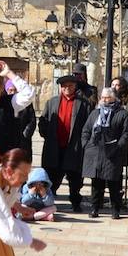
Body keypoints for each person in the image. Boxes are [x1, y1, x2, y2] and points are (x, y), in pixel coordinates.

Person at [37, 73, 90, 211]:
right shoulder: (52, 102)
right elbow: (43, 121)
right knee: (51, 177)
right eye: (64, 86)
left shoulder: (84, 104)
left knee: (75, 179)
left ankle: (76, 202)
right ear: (61, 88)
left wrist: (84, 142)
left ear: (75, 86)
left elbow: (88, 125)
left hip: (74, 147)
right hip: (54, 146)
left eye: (70, 85)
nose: (67, 88)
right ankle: (49, 202)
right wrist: (47, 136)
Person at [81, 86, 128, 219]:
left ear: (114, 98)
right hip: (96, 153)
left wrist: (118, 147)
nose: (104, 100)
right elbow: (86, 130)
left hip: (113, 153)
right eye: (102, 97)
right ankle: (95, 208)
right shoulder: (95, 113)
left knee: (114, 184)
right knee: (96, 184)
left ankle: (116, 210)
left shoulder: (122, 113)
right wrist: (86, 145)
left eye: (107, 97)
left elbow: (126, 134)